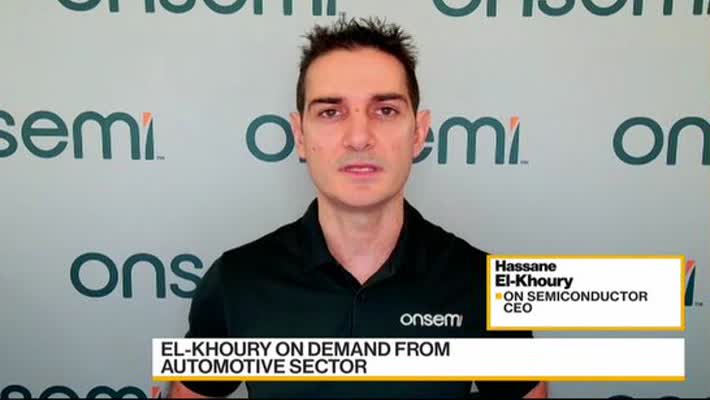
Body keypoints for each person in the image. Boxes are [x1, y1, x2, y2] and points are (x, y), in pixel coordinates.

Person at [169, 17, 547, 399]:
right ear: (300, 135)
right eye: (331, 112)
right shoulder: (236, 279)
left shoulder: (484, 285)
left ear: (419, 133)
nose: (359, 137)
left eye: (385, 110)